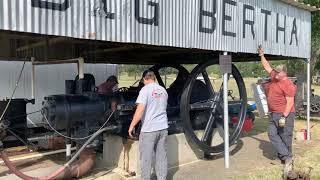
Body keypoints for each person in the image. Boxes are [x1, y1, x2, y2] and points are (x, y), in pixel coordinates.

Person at [258, 46, 297, 178]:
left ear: (284, 73)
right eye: (277, 72)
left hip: (285, 114)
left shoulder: (289, 85)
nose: (276, 74)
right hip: (273, 113)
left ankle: (287, 161)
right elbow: (267, 67)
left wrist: (284, 117)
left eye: (279, 72)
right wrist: (261, 55)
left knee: (285, 136)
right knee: (272, 134)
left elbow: (290, 102)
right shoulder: (275, 76)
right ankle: (287, 157)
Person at [128, 70, 168, 180]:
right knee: (161, 157)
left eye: (143, 81)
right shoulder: (163, 90)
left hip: (149, 130)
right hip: (163, 128)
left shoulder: (145, 90)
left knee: (146, 159)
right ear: (154, 78)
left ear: (144, 79)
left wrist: (132, 126)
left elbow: (140, 110)